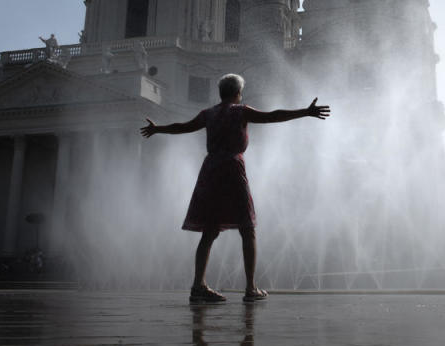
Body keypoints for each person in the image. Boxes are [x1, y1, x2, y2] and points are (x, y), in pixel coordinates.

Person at [140, 73, 330, 304]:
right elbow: (273, 116)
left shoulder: (208, 114)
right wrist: (305, 112)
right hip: (232, 169)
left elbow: (183, 127)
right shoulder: (241, 111)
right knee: (247, 228)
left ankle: (198, 286)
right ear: (238, 93)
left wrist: (158, 129)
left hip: (210, 171)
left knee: (209, 231)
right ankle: (250, 288)